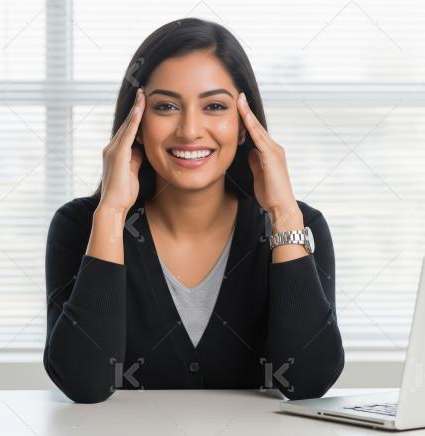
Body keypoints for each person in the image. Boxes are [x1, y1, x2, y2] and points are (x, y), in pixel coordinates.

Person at [43, 18, 344, 403]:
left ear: (242, 125)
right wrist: (112, 213)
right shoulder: (80, 226)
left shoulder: (301, 226)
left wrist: (284, 214)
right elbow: (84, 383)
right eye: (166, 106)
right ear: (136, 125)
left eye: (214, 106)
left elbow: (309, 381)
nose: (189, 130)